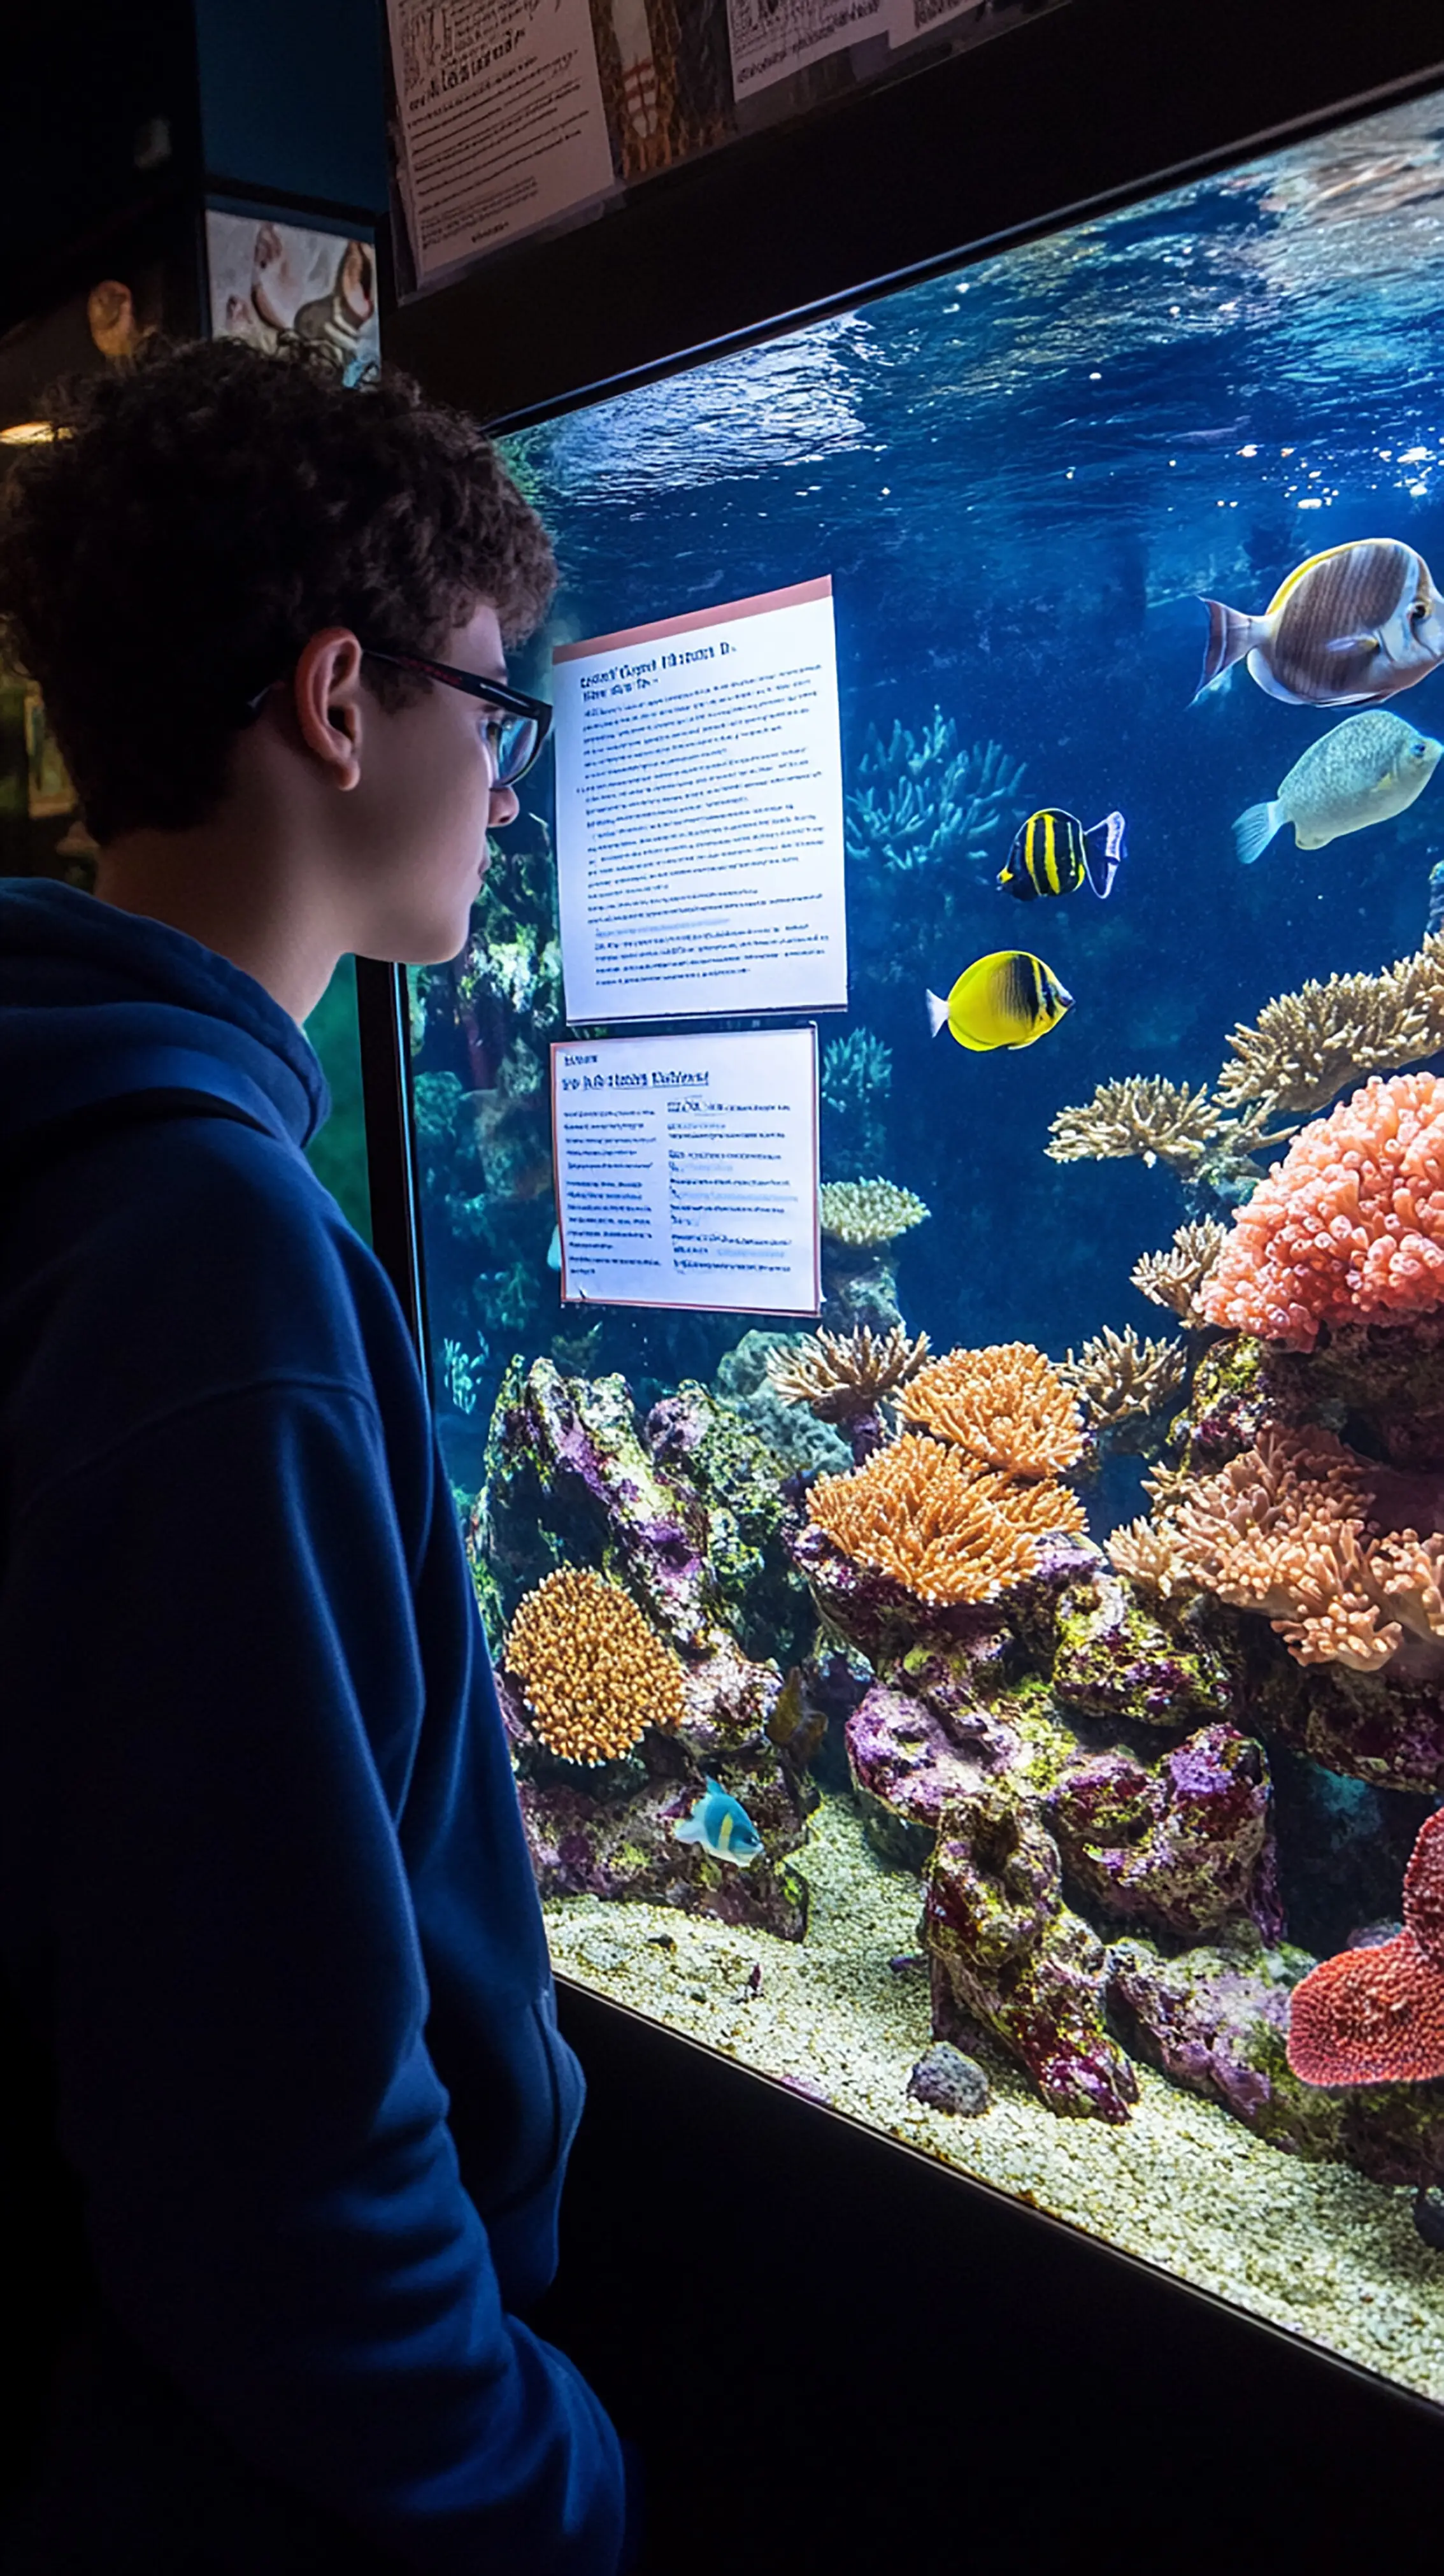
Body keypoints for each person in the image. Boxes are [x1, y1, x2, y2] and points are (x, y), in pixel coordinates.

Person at [0, 337, 632, 2573]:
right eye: (504, 712)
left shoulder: (74, 1128)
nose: (514, 788)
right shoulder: (210, 1260)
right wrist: (548, 2485)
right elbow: (259, 2140)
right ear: (342, 703)